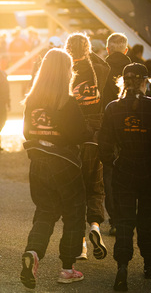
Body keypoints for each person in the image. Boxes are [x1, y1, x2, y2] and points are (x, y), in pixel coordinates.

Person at [19, 48, 89, 289]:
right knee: (74, 213)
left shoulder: (31, 100)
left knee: (45, 211)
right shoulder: (67, 102)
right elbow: (78, 134)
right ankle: (67, 269)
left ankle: (33, 253)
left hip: (38, 163)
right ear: (65, 71)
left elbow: (27, 132)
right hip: (65, 165)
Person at [98, 63, 151, 291]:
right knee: (147, 221)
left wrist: (113, 163)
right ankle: (149, 266)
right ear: (145, 81)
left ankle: (122, 268)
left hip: (123, 172)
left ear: (123, 82)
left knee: (124, 223)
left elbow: (104, 145)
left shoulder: (113, 108)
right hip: (150, 173)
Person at [64, 33, 110, 262]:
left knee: (74, 192)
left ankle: (80, 246)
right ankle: (94, 226)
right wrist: (86, 51)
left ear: (68, 49)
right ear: (88, 49)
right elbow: (104, 63)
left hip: (73, 140)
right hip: (95, 137)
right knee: (95, 187)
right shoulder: (99, 71)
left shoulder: (66, 72)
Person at [101, 33, 131, 236]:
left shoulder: (101, 70)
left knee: (109, 175)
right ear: (126, 50)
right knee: (131, 173)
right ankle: (129, 216)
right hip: (132, 130)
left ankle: (115, 219)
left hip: (107, 130)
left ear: (108, 49)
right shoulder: (136, 71)